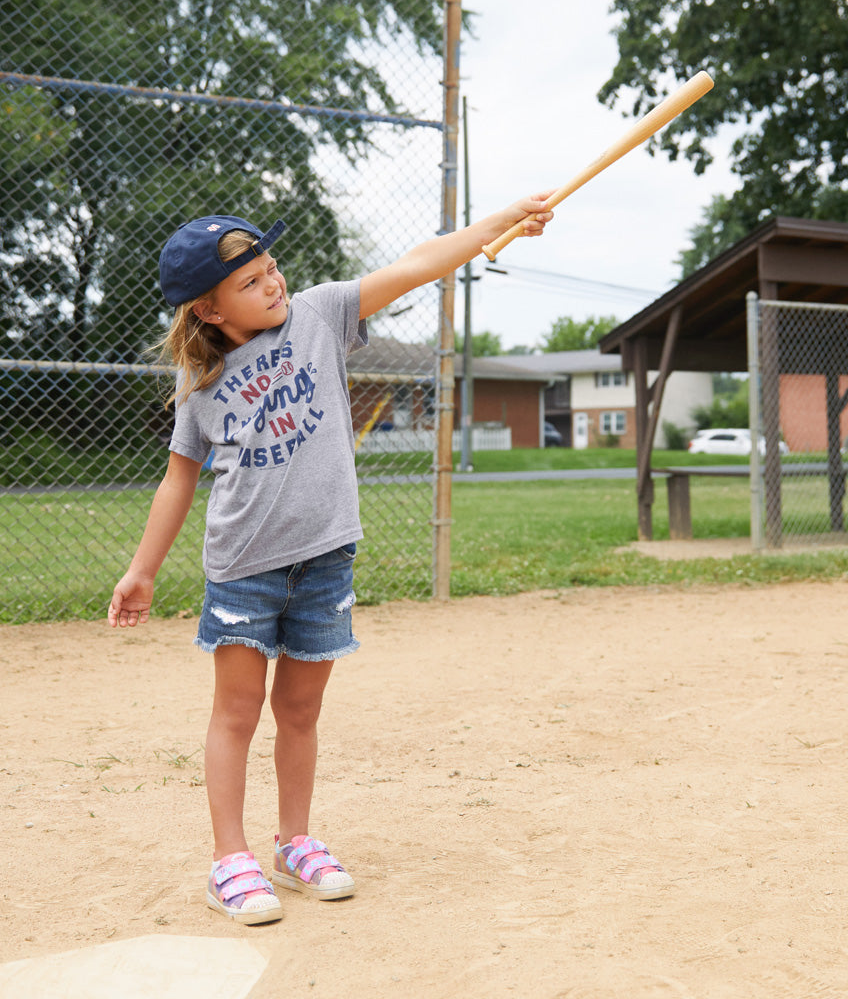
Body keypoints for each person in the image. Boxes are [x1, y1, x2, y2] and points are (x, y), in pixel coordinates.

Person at [107, 195, 554, 924]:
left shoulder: (320, 315)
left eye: (270, 267)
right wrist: (143, 569)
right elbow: (178, 479)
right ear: (211, 312)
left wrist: (496, 226)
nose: (272, 283)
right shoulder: (202, 384)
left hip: (324, 561)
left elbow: (416, 267)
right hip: (244, 568)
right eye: (249, 283)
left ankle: (295, 843)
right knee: (238, 712)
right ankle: (230, 859)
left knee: (301, 710)